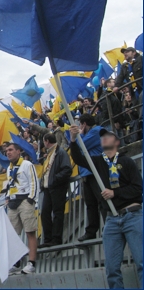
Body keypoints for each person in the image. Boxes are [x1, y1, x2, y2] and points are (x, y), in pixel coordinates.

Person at [70, 126, 142, 289]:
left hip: (132, 215)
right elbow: (79, 159)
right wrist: (73, 139)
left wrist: (114, 193)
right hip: (112, 219)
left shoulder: (127, 161)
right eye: (102, 137)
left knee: (142, 262)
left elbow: (138, 189)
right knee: (111, 269)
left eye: (108, 136)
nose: (104, 139)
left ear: (116, 142)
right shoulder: (98, 162)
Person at [5, 143, 39, 275]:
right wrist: (8, 197)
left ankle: (31, 263)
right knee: (13, 235)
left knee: (30, 231)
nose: (8, 152)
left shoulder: (26, 164)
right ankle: (16, 262)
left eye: (11, 150)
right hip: (13, 202)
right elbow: (10, 184)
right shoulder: (9, 168)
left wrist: (31, 199)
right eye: (7, 151)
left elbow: (33, 182)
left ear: (18, 151)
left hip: (25, 200)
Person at [75, 114, 106, 242]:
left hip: (96, 172)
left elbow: (80, 145)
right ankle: (91, 231)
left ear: (84, 124)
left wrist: (80, 134)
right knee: (90, 204)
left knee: (102, 201)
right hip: (86, 173)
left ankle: (108, 227)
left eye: (80, 125)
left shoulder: (96, 131)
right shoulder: (89, 133)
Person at [39, 133, 72, 247]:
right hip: (48, 188)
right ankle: (48, 239)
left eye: (44, 141)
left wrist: (54, 179)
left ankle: (56, 239)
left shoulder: (60, 152)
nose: (44, 144)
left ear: (47, 141)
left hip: (57, 187)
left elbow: (67, 169)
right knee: (45, 213)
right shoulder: (50, 154)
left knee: (57, 213)